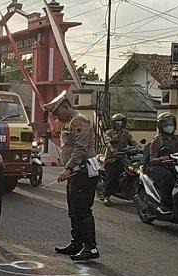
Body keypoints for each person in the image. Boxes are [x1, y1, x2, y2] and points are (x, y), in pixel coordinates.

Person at [44, 91, 99, 262]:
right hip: (76, 173)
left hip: (83, 172)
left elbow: (80, 149)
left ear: (66, 107)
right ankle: (77, 243)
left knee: (82, 210)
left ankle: (91, 247)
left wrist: (67, 169)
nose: (57, 118)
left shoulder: (79, 121)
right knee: (73, 210)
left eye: (58, 113)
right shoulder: (70, 123)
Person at [147, 112, 178, 214]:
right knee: (167, 178)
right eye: (166, 124)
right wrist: (161, 159)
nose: (169, 126)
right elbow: (152, 159)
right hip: (157, 167)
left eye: (171, 123)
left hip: (174, 166)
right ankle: (164, 205)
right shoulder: (156, 141)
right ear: (161, 126)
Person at [102, 113, 137, 206]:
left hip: (124, 157)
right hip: (112, 159)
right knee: (113, 174)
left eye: (121, 122)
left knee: (134, 171)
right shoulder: (109, 133)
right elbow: (108, 142)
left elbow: (132, 142)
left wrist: (138, 147)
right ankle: (106, 196)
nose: (119, 124)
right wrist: (112, 149)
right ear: (113, 123)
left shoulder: (126, 133)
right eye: (117, 122)